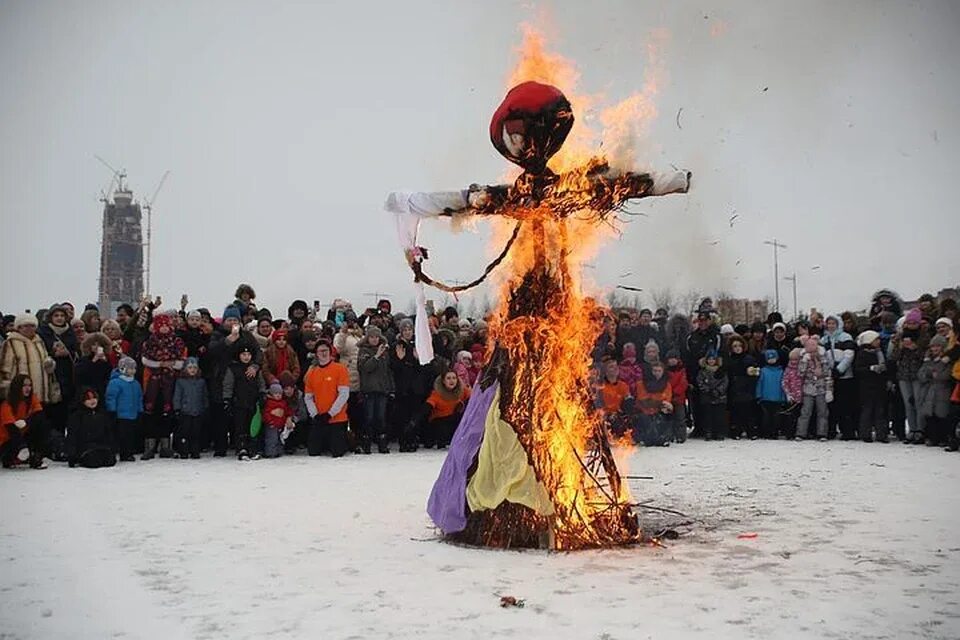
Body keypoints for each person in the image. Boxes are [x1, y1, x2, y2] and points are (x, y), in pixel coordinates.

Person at [140, 314, 186, 459]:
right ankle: (150, 445)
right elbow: (145, 360)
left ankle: (166, 445)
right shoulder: (150, 342)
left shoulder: (177, 341)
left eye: (167, 325)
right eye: (161, 325)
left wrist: (172, 365)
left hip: (170, 380)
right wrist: (160, 364)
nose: (165, 328)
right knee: (151, 411)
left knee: (168, 411)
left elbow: (181, 361)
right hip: (153, 381)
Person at [303, 341, 351, 458]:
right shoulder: (312, 373)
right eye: (320, 351)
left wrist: (330, 414)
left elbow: (343, 394)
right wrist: (315, 415)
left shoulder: (340, 369)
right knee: (313, 451)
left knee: (337, 452)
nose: (323, 353)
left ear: (330, 353)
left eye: (326, 350)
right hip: (319, 418)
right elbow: (308, 397)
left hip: (337, 418)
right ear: (316, 354)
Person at [223, 345, 266, 460]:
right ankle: (241, 448)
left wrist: (262, 394)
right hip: (239, 402)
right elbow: (228, 385)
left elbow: (261, 383)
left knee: (252, 426)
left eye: (248, 355)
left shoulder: (256, 370)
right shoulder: (233, 369)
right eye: (243, 355)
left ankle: (252, 448)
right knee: (240, 426)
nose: (246, 357)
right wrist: (227, 399)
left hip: (253, 402)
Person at [357, 325, 394, 454]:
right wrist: (376, 356)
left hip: (382, 389)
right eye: (372, 337)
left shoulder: (385, 351)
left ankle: (382, 442)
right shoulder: (363, 351)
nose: (374, 339)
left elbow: (388, 371)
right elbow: (365, 368)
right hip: (369, 389)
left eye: (377, 337)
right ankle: (366, 443)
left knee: (381, 417)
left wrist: (391, 387)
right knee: (369, 417)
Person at [413, 369, 471, 449]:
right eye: (448, 378)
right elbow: (427, 407)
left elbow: (473, 397)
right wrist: (414, 421)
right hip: (439, 422)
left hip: (454, 420)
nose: (452, 381)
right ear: (443, 381)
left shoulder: (462, 390)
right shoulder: (437, 393)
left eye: (454, 378)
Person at [821, 315, 857, 440]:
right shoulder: (824, 339)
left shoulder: (846, 337)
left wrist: (840, 370)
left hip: (845, 376)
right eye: (829, 323)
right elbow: (822, 356)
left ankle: (847, 431)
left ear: (838, 324)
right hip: (830, 376)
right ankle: (831, 430)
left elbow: (849, 356)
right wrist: (828, 370)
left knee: (845, 405)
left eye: (833, 323)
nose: (831, 326)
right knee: (831, 405)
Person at [0, 374, 48, 469]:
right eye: (24, 385)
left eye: (30, 385)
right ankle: (16, 456)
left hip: (24, 434)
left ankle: (35, 455)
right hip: (8, 441)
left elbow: (39, 415)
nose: (28, 388)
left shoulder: (32, 399)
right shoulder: (6, 405)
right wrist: (22, 447)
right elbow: (11, 429)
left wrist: (27, 421)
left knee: (42, 423)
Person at [105, 356, 144, 461]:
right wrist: (112, 410)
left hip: (132, 413)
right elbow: (111, 397)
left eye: (134, 368)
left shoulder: (136, 383)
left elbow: (139, 398)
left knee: (130, 435)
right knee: (121, 434)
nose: (133, 371)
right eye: (130, 368)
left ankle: (129, 451)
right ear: (123, 369)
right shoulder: (115, 382)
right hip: (121, 414)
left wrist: (140, 410)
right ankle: (121, 452)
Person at [917, 335, 954, 446]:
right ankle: (932, 437)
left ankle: (943, 438)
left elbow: (945, 376)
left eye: (937, 346)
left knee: (941, 415)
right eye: (933, 346)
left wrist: (934, 372)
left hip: (942, 391)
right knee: (930, 416)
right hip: (930, 391)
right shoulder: (928, 360)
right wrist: (930, 374)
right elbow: (921, 375)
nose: (935, 349)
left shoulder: (946, 360)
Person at [65, 388, 116, 468]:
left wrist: (112, 448)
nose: (92, 401)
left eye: (94, 398)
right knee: (93, 461)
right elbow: (72, 436)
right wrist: (72, 455)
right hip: (85, 448)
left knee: (110, 461)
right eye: (88, 399)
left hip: (101, 446)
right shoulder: (77, 416)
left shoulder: (102, 414)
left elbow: (108, 433)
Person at [853, 330, 889, 443]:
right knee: (867, 410)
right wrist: (871, 368)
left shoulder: (880, 352)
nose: (878, 342)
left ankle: (882, 434)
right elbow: (858, 369)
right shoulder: (862, 353)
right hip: (867, 386)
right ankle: (865, 434)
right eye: (876, 340)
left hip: (880, 385)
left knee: (880, 410)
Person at [893, 320, 925, 442]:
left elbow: (926, 356)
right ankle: (912, 429)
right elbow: (893, 357)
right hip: (903, 375)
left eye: (914, 321)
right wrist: (900, 347)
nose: (911, 324)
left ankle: (920, 430)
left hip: (918, 375)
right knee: (908, 404)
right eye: (909, 322)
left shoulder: (923, 336)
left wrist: (915, 348)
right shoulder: (900, 336)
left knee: (918, 402)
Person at [796, 338, 833, 441]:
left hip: (821, 388)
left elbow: (828, 374)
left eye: (813, 345)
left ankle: (822, 433)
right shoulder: (803, 358)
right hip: (808, 389)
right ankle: (801, 433)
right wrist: (804, 361)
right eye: (808, 346)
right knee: (805, 412)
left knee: (822, 412)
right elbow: (800, 373)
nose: (811, 348)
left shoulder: (823, 358)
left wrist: (829, 390)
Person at [173, 357, 208, 459]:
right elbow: (177, 396)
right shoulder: (181, 382)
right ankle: (184, 450)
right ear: (185, 369)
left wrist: (205, 407)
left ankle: (195, 450)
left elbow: (204, 395)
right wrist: (177, 408)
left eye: (194, 368)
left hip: (198, 411)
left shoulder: (201, 382)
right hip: (185, 411)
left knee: (196, 432)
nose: (192, 370)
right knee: (184, 432)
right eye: (190, 367)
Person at [633, 360, 673, 446]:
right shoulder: (640, 384)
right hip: (643, 411)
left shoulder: (667, 385)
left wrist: (656, 403)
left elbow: (667, 401)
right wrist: (659, 402)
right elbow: (642, 400)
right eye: (655, 371)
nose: (657, 373)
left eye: (659, 371)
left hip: (659, 411)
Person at [726, 335, 759, 439]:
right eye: (735, 346)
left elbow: (756, 373)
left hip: (747, 388)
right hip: (734, 389)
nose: (737, 348)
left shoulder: (749, 359)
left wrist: (751, 373)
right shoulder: (729, 360)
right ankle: (736, 431)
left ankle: (751, 431)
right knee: (736, 412)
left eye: (739, 345)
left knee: (749, 411)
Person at [696, 349, 728, 440]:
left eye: (713, 359)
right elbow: (700, 382)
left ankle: (719, 432)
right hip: (707, 397)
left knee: (719, 416)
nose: (711, 361)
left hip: (720, 397)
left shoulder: (721, 371)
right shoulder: (702, 372)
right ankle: (708, 432)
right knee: (707, 416)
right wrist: (707, 390)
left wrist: (718, 391)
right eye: (709, 359)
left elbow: (725, 382)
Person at [756, 349, 786, 439]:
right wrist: (758, 395)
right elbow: (759, 383)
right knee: (766, 417)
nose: (771, 360)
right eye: (769, 358)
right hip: (765, 398)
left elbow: (783, 385)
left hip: (777, 398)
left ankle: (775, 432)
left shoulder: (781, 371)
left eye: (773, 358)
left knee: (776, 417)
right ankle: (766, 432)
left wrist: (784, 397)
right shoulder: (763, 370)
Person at [74, 332, 113, 400]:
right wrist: (94, 360)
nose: (97, 347)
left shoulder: (106, 360)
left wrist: (105, 361)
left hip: (103, 391)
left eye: (99, 345)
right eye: (94, 345)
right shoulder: (84, 360)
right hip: (88, 392)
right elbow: (80, 374)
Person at [261, 382, 294, 458]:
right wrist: (270, 421)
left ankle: (279, 451)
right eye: (276, 393)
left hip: (280, 425)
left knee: (280, 439)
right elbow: (266, 413)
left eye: (280, 393)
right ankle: (270, 452)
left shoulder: (283, 402)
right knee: (271, 439)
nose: (278, 395)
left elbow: (287, 411)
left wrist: (288, 417)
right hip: (272, 425)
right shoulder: (269, 403)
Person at [664, 349, 689, 443]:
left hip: (679, 398)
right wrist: (668, 393)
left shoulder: (682, 370)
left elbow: (683, 383)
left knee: (680, 418)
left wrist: (675, 392)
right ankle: (669, 435)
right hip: (668, 397)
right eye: (670, 359)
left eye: (674, 358)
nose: (672, 360)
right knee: (669, 418)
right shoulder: (665, 371)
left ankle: (681, 436)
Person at [781, 348, 803, 439]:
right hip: (792, 398)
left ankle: (801, 432)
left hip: (803, 396)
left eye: (796, 359)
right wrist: (788, 394)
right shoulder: (788, 370)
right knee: (791, 417)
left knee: (802, 416)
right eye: (792, 359)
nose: (793, 362)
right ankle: (789, 433)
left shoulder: (803, 369)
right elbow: (784, 382)